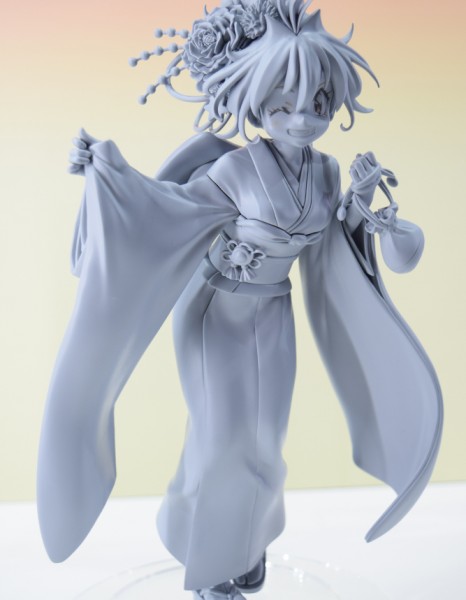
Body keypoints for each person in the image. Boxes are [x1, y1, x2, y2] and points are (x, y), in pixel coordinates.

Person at [37, 1, 443, 599]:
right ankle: (208, 570)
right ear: (255, 102)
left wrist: (362, 205)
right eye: (284, 105)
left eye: (318, 103)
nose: (303, 118)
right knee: (222, 438)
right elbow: (164, 209)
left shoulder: (327, 173)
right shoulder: (236, 170)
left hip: (273, 311)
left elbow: (334, 246)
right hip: (216, 313)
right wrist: (110, 171)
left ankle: (242, 544)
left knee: (265, 440)